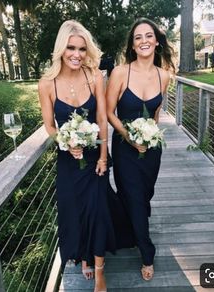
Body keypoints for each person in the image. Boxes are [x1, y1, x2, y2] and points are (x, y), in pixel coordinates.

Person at [38, 19, 116, 292]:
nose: (76, 54)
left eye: (82, 49)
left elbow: (103, 119)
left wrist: (104, 157)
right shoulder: (47, 84)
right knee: (75, 213)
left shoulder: (94, 76)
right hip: (67, 162)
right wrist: (65, 140)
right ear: (61, 48)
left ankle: (99, 272)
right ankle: (83, 255)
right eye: (71, 47)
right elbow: (49, 125)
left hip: (95, 158)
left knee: (97, 211)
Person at [106, 17, 175, 281]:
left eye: (148, 36)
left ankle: (132, 229)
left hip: (152, 149)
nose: (143, 41)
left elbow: (155, 114)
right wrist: (129, 136)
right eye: (138, 37)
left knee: (144, 196)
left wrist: (149, 136)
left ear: (156, 42)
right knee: (133, 195)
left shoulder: (164, 75)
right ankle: (147, 252)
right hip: (125, 148)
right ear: (133, 46)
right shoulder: (121, 73)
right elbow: (109, 112)